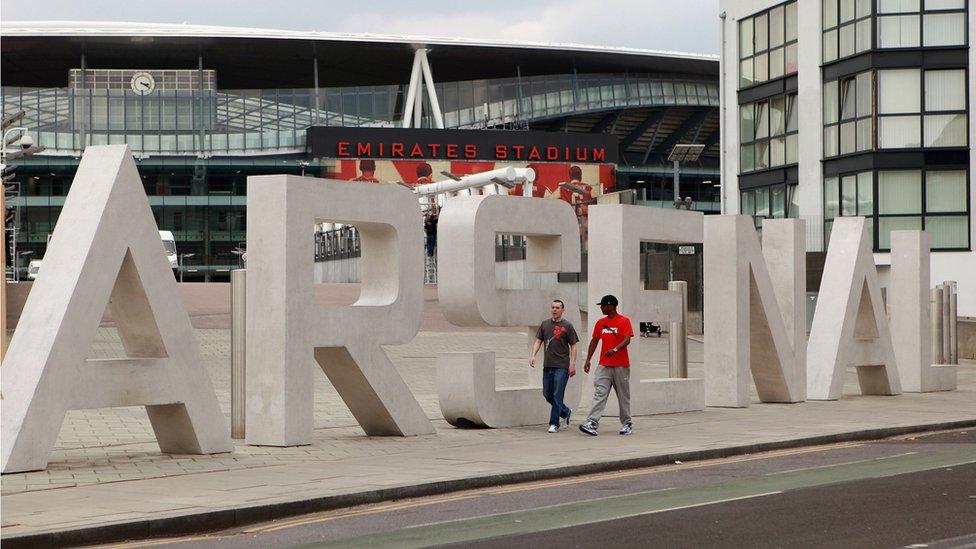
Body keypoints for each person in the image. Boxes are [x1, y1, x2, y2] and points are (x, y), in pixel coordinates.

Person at [579, 294, 634, 436]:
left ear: (610, 306)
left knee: (623, 395)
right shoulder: (600, 323)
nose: (602, 308)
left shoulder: (624, 321)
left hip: (621, 365)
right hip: (604, 365)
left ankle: (626, 423)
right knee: (599, 393)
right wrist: (588, 359)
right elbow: (594, 341)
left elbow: (627, 339)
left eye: (603, 306)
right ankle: (592, 422)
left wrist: (615, 349)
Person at [529, 300, 579, 433]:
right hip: (548, 365)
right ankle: (566, 411)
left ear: (563, 310)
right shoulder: (545, 324)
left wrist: (572, 364)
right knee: (547, 394)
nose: (554, 310)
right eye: (552, 307)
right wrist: (533, 355)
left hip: (562, 366)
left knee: (557, 394)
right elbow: (539, 340)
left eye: (557, 308)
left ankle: (554, 423)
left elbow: (573, 346)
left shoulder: (568, 326)